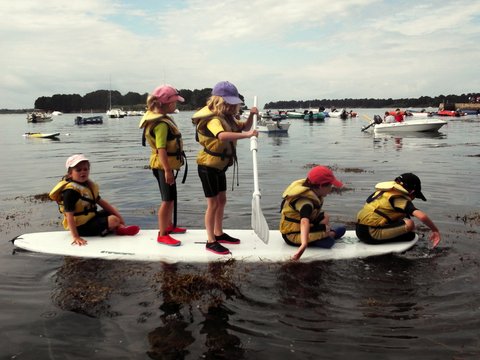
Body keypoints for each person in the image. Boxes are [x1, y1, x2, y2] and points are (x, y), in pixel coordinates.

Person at [192, 81, 258, 255]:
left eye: (233, 103)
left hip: (219, 167)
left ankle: (218, 233)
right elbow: (222, 136)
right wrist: (248, 136)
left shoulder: (227, 117)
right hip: (207, 167)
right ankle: (210, 241)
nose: (231, 106)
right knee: (213, 203)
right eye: (228, 102)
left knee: (222, 200)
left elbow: (245, 126)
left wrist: (251, 116)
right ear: (219, 101)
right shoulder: (214, 119)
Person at [49, 154, 140, 246]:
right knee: (113, 220)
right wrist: (76, 237)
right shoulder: (70, 192)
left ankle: (120, 228)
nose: (83, 172)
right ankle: (112, 229)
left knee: (113, 210)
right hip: (80, 227)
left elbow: (103, 204)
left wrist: (122, 220)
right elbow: (69, 216)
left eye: (85, 169)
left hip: (91, 218)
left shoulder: (87, 186)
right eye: (78, 170)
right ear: (70, 174)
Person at [139, 85, 187, 246]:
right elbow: (161, 149)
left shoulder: (162, 120)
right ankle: (162, 233)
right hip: (162, 166)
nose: (176, 105)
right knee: (167, 200)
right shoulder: (161, 125)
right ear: (165, 104)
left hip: (164, 166)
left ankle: (168, 226)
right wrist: (167, 171)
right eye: (174, 102)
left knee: (171, 198)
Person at [280, 166, 346, 261]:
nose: (331, 188)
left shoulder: (312, 191)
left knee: (326, 217)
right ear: (321, 186)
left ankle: (325, 233)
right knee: (330, 241)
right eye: (330, 186)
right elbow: (304, 221)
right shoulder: (306, 203)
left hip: (300, 227)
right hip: (292, 235)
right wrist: (304, 245)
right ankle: (328, 234)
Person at [356, 173, 440, 247]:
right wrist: (435, 230)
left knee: (401, 219)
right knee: (410, 227)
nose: (413, 199)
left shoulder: (383, 192)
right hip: (371, 234)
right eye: (415, 196)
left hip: (359, 230)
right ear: (412, 192)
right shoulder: (399, 199)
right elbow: (422, 216)